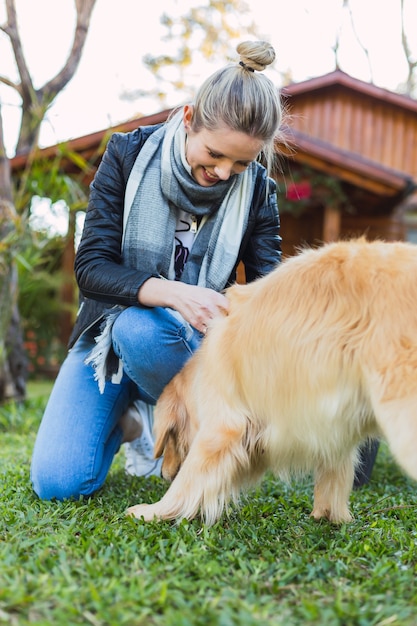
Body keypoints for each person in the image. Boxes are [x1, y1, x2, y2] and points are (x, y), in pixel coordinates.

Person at [30, 40, 285, 500]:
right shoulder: (128, 154)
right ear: (189, 120)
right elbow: (91, 267)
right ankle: (133, 424)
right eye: (214, 154)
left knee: (145, 331)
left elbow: (271, 287)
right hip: (105, 343)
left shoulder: (258, 191)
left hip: (192, 351)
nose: (225, 173)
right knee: (58, 484)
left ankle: (181, 429)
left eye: (242, 163)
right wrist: (173, 293)